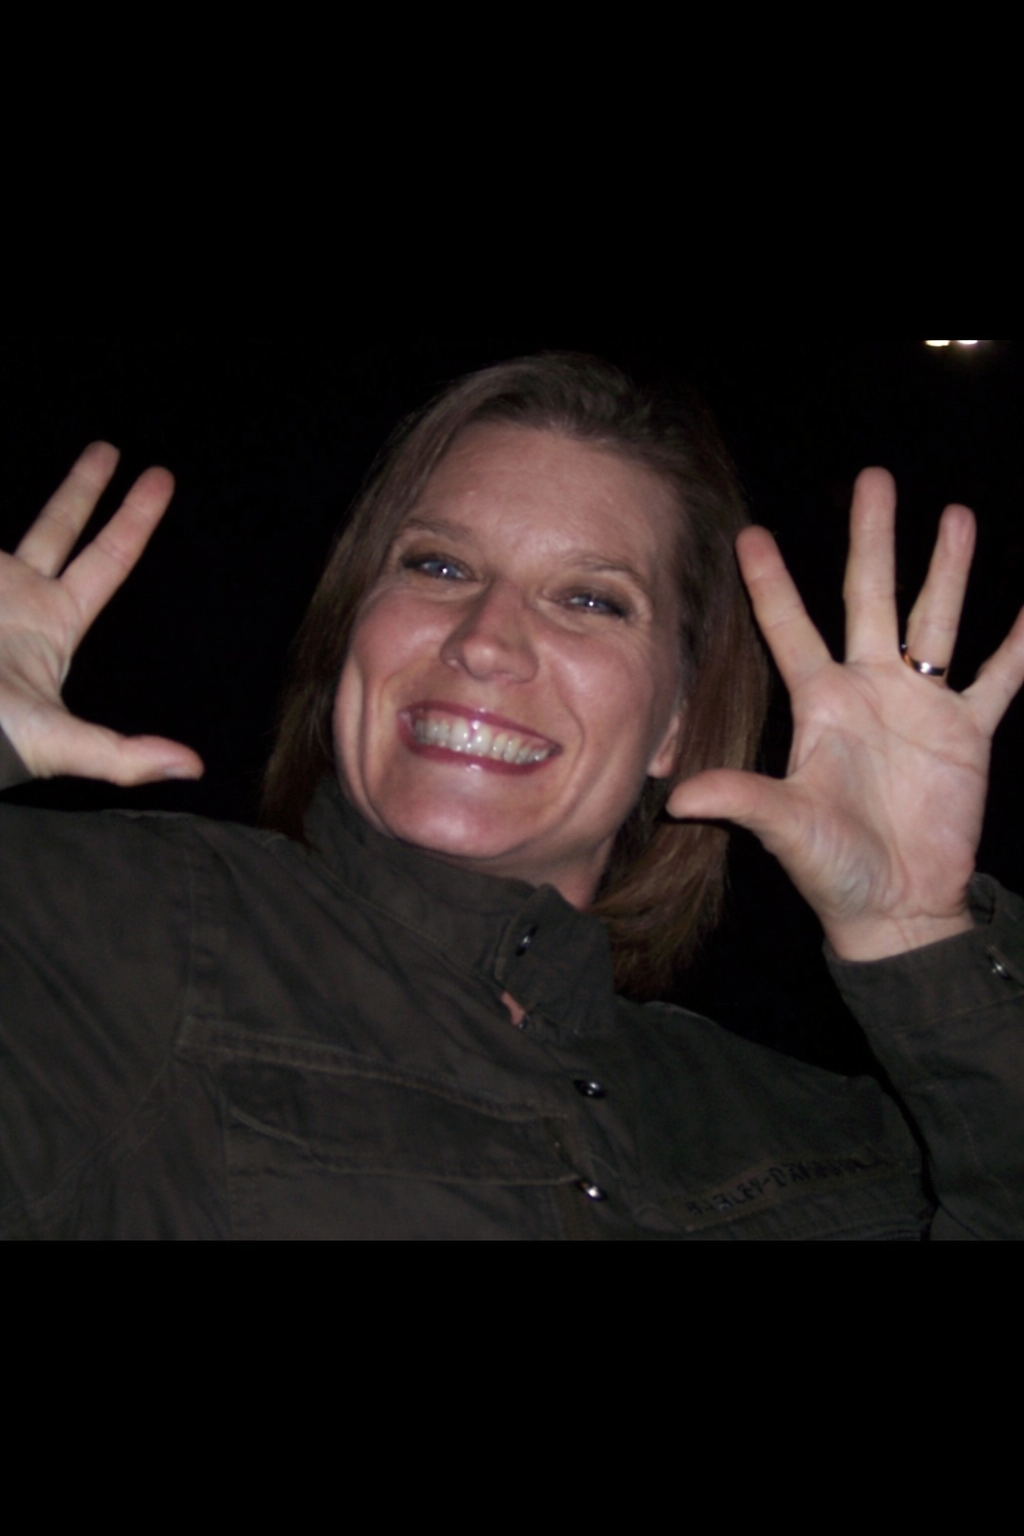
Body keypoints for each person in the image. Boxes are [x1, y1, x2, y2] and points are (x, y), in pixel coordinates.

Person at [1, 354, 1023, 1241]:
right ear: (353, 631)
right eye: (439, 565)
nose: (485, 641)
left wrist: (917, 937)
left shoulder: (811, 1132)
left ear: (676, 720)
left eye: (590, 599)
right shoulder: (116, 938)